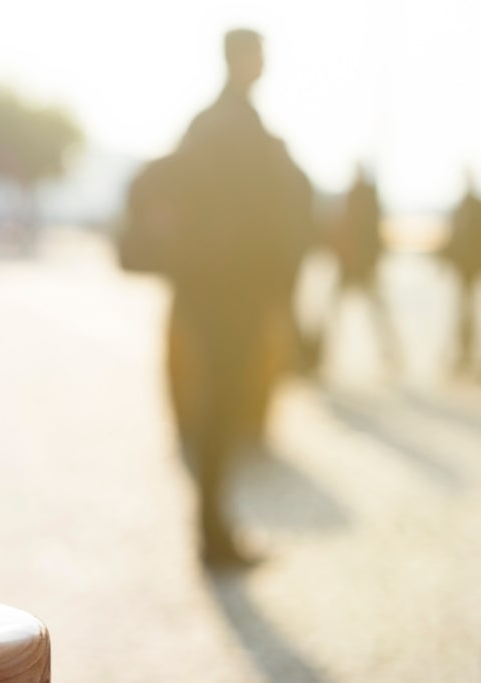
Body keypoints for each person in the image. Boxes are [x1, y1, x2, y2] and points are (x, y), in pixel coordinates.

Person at [165, 28, 314, 568]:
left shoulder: (204, 123)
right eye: (262, 55)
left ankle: (213, 528)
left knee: (214, 408)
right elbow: (273, 211)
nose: (266, 64)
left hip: (204, 288)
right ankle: (214, 535)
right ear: (246, 59)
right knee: (225, 410)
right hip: (234, 292)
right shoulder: (242, 127)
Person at [325, 164, 399, 372]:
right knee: (342, 310)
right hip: (351, 263)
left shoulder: (362, 198)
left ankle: (390, 352)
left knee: (373, 311)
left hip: (358, 264)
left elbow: (366, 233)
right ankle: (326, 354)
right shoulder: (360, 197)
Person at [443, 174, 481, 374]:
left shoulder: (475, 207)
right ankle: (463, 354)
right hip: (463, 268)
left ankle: (467, 355)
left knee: (468, 315)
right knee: (463, 314)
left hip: (472, 268)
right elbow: (454, 237)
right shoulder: (462, 207)